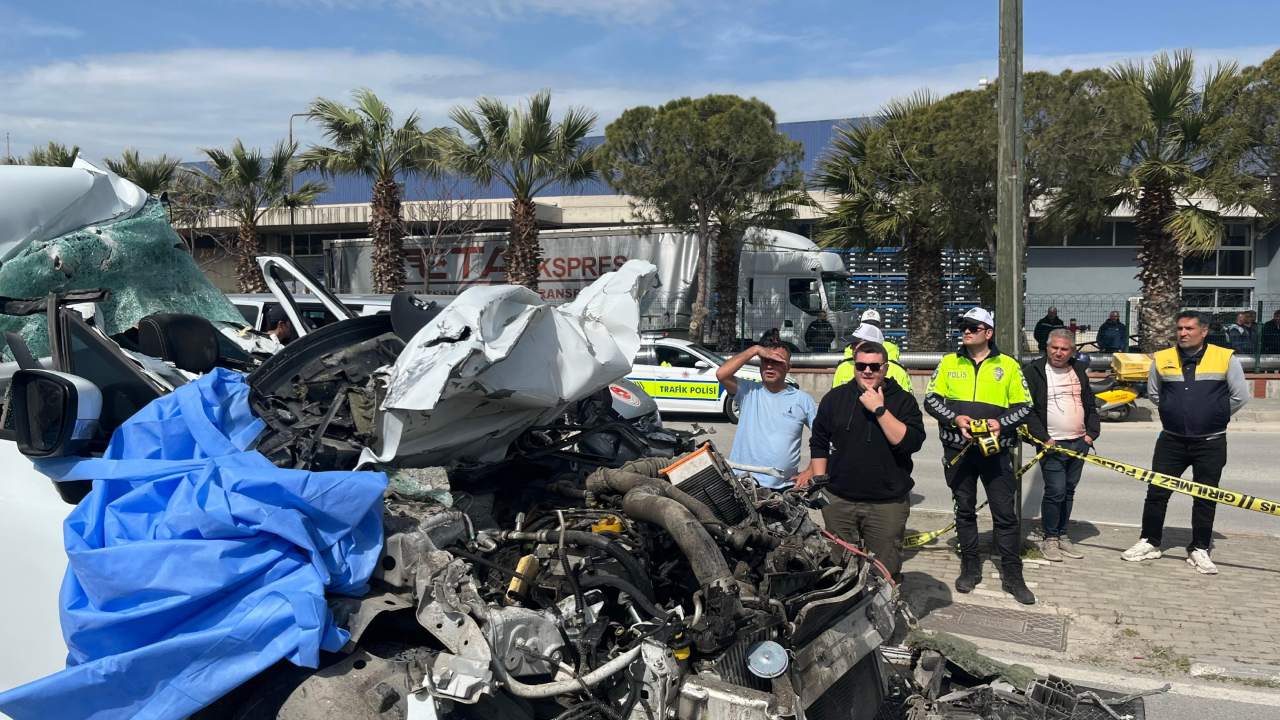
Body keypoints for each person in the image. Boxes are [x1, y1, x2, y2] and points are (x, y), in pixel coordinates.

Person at [1122, 311, 1249, 574]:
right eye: (1180, 328)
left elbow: (1240, 396)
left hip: (1211, 442)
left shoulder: (1225, 357)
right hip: (1172, 440)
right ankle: (1150, 541)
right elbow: (1155, 394)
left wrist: (1213, 415)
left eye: (1189, 328)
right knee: (1157, 492)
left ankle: (1199, 548)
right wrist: (1174, 411)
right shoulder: (1162, 358)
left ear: (1204, 331)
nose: (1183, 333)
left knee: (1205, 495)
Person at [925, 307, 1036, 605]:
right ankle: (970, 567)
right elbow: (931, 400)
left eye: (973, 327)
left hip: (995, 452)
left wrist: (1000, 423)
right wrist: (955, 419)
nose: (966, 331)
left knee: (1005, 514)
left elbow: (1025, 406)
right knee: (964, 511)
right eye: (963, 326)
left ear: (988, 332)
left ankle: (1013, 575)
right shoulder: (948, 362)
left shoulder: (1008, 365)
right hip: (958, 451)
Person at [803, 342, 925, 582]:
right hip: (839, 501)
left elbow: (910, 443)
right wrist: (819, 483)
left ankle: (884, 604)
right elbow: (819, 442)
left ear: (885, 368)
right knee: (839, 568)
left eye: (874, 366)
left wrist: (879, 409)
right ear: (854, 367)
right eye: (861, 366)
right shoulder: (835, 398)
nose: (867, 371)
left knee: (885, 572)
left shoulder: (903, 401)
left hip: (886, 504)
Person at [1022, 329, 1101, 562]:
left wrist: (1091, 434)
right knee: (1055, 491)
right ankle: (1050, 538)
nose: (1058, 353)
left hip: (1079, 442)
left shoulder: (1078, 371)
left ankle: (1062, 534)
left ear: (1072, 351)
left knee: (1068, 491)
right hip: (1052, 445)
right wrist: (1044, 438)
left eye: (1064, 349)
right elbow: (1028, 410)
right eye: (1054, 347)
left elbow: (1089, 403)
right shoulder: (1033, 371)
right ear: (1047, 348)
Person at [716, 340, 818, 489]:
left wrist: (810, 471)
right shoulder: (748, 390)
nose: (770, 366)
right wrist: (755, 350)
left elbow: (823, 438)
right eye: (766, 360)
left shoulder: (803, 400)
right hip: (743, 483)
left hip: (783, 487)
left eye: (776, 362)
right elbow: (721, 374)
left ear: (788, 367)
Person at [833, 323, 912, 392]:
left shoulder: (897, 371)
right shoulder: (843, 368)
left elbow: (905, 401)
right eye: (852, 345)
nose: (851, 348)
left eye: (856, 344)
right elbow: (835, 399)